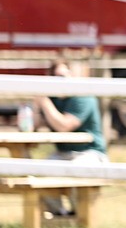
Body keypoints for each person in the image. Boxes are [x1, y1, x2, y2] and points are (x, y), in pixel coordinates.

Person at [33, 60, 108, 217]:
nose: (59, 80)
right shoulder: (54, 98)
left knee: (76, 170)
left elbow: (64, 125)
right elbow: (33, 126)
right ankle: (60, 214)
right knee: (39, 171)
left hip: (90, 153)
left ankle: (79, 215)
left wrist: (45, 103)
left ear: (72, 75)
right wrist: (37, 104)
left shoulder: (83, 96)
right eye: (55, 76)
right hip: (63, 154)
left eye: (62, 76)